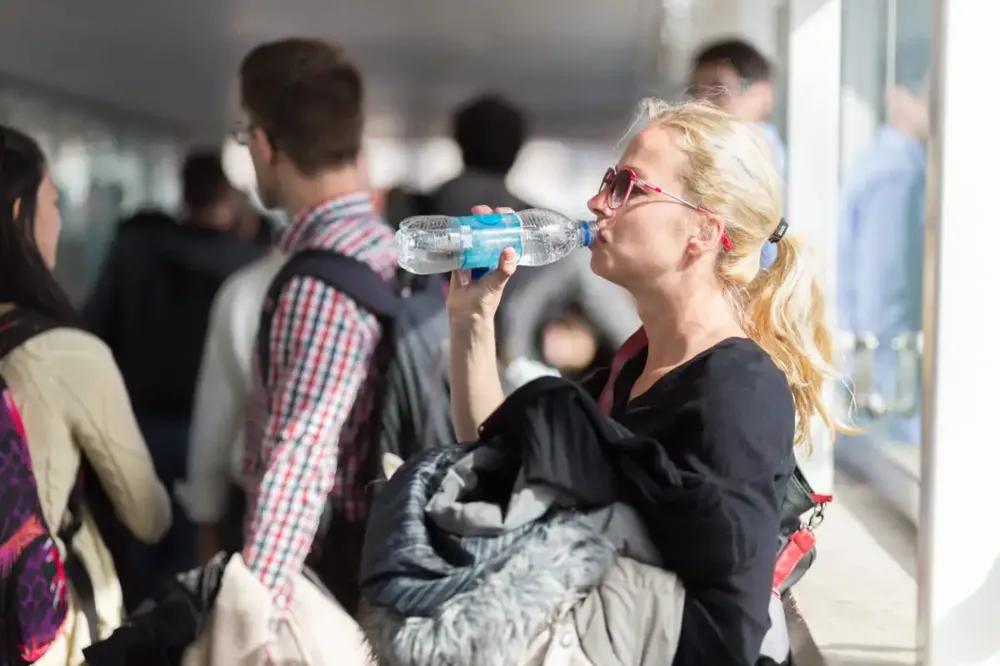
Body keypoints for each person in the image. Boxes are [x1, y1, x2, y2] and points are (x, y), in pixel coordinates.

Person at [442, 100, 844, 664]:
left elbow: (729, 629)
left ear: (702, 231)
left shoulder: (737, 389)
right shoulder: (634, 366)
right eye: (609, 180)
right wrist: (473, 320)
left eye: (628, 185)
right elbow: (496, 462)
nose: (596, 202)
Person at [233, 37, 397, 620]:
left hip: (325, 582)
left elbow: (299, 459)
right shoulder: (389, 250)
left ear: (262, 143)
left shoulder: (319, 284)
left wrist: (255, 619)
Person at [0, 125, 171, 664]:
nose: (61, 219)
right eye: (54, 201)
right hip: (38, 628)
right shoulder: (63, 353)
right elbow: (147, 514)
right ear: (18, 215)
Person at [690, 38, 785, 268]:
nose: (703, 103)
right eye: (696, 91)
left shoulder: (763, 162)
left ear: (763, 95)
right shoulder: (713, 154)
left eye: (718, 89)